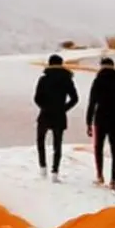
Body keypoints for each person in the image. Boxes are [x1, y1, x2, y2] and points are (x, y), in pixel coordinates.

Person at [85, 57, 115, 190]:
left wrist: (88, 122)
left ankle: (100, 175)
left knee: (98, 148)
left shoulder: (97, 82)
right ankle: (113, 180)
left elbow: (92, 103)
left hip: (100, 119)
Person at [33, 54, 79, 182]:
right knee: (57, 144)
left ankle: (42, 168)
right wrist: (64, 108)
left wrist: (44, 107)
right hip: (59, 115)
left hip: (45, 114)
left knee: (40, 141)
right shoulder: (67, 79)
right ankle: (55, 172)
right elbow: (75, 98)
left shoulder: (44, 79)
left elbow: (37, 98)